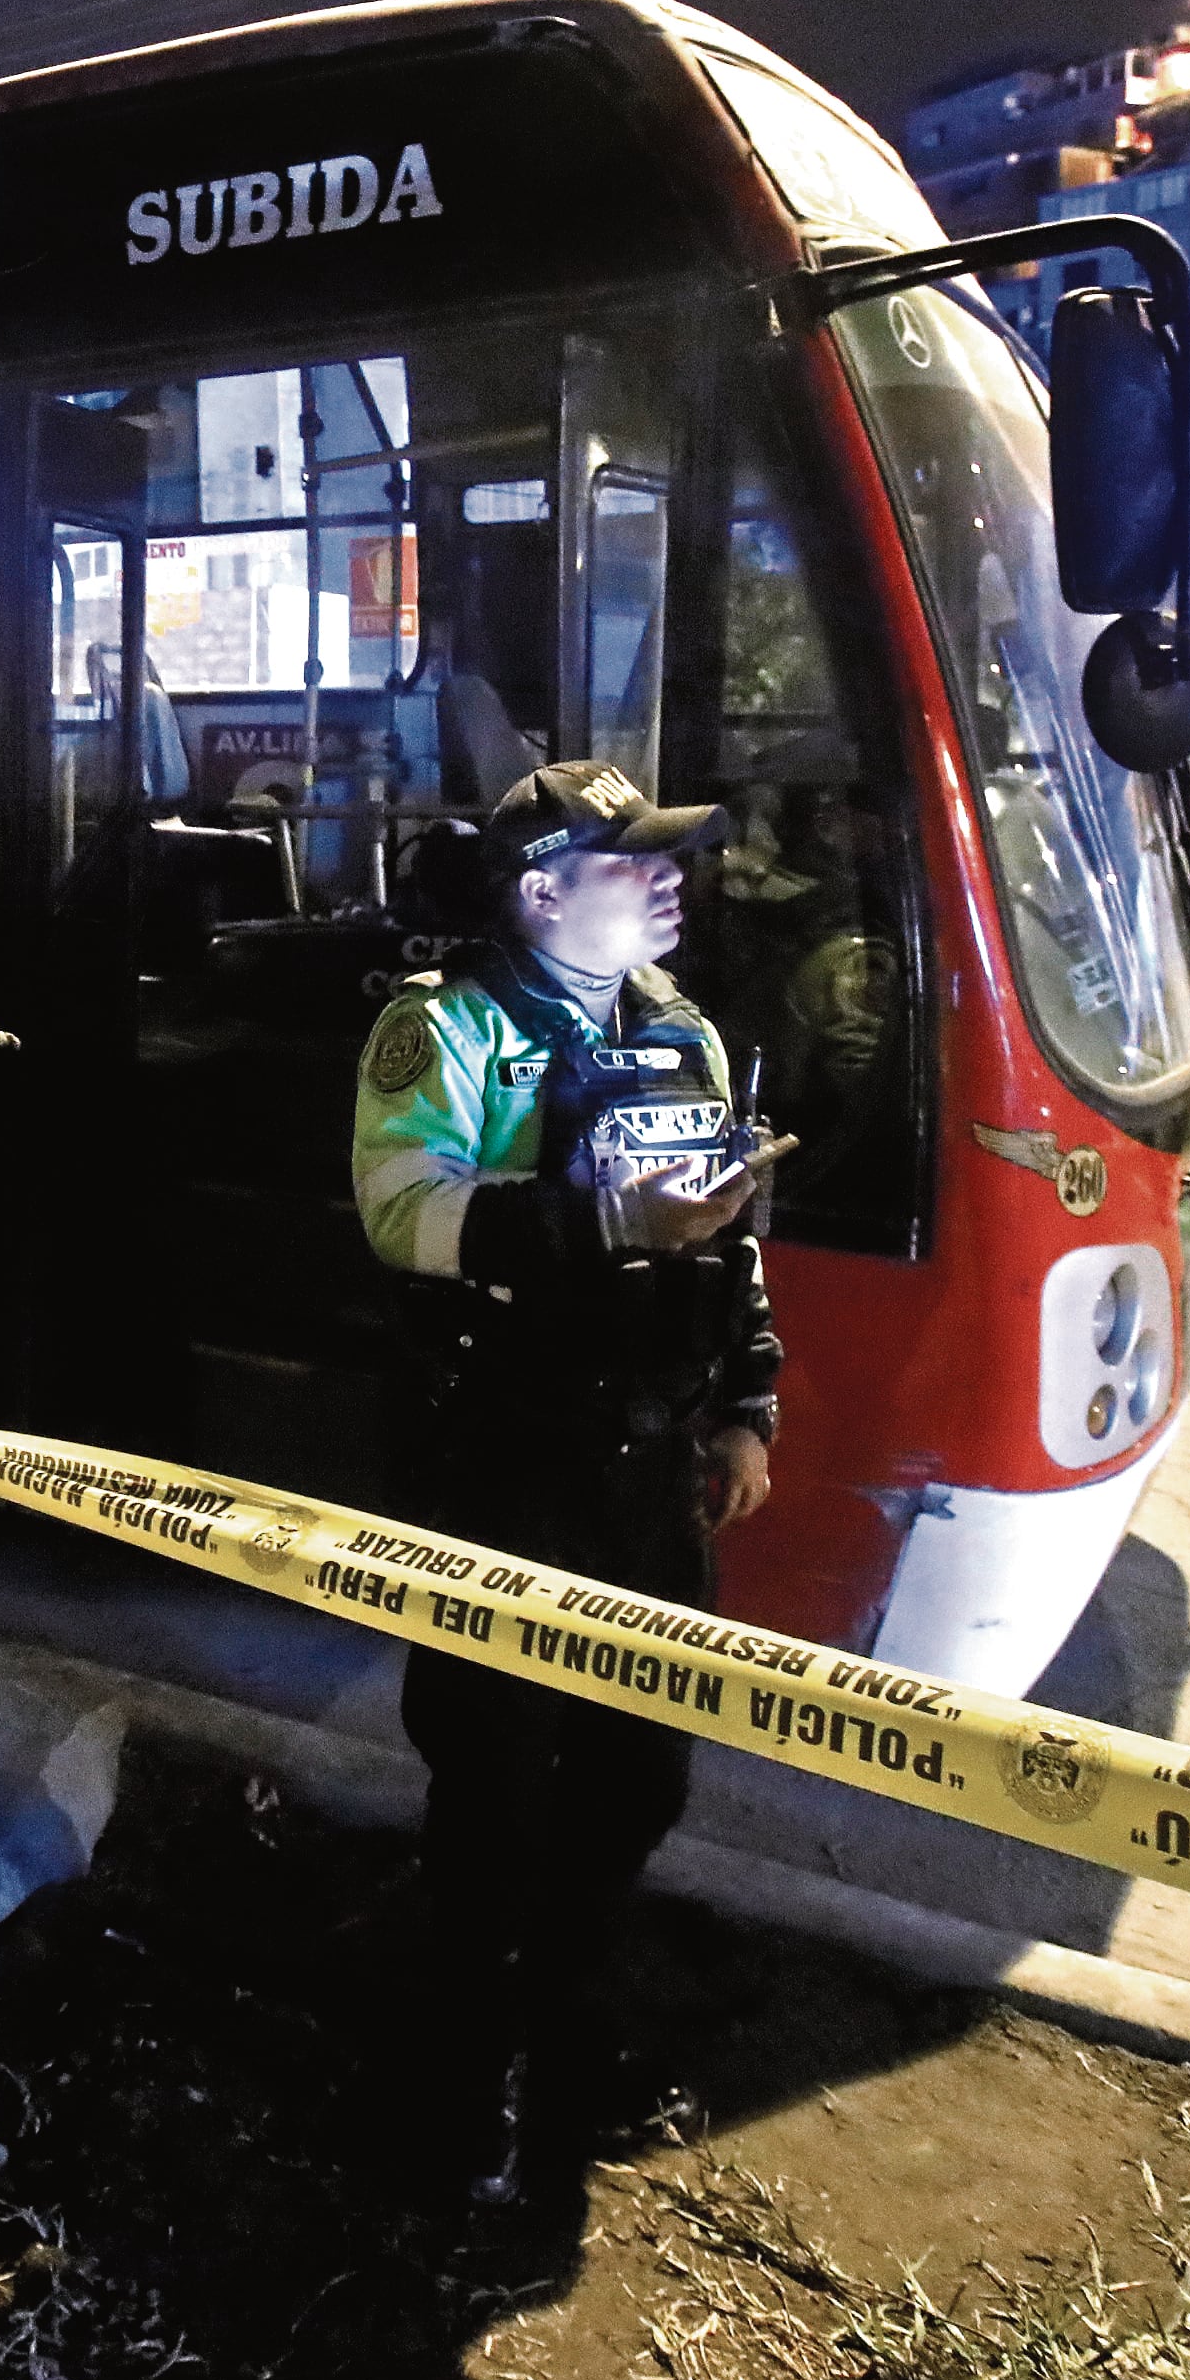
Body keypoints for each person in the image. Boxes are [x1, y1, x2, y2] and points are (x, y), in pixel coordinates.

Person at [347, 759, 787, 2210]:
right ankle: (464, 2084)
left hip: (652, 1479)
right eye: (631, 864)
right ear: (541, 893)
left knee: (633, 1781)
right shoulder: (445, 1028)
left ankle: (575, 2039)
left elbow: (736, 1242)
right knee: (491, 1794)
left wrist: (745, 1409)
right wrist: (602, 1217)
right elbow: (405, 1210)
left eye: (669, 860)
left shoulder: (685, 1034)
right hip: (503, 1475)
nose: (670, 881)